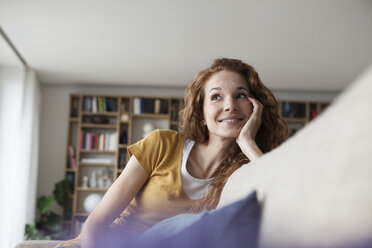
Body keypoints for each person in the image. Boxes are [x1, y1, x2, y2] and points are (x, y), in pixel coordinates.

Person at [56, 58, 288, 248]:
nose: (230, 105)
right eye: (216, 96)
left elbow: (282, 205)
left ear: (255, 107)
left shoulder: (243, 173)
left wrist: (247, 142)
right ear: (200, 113)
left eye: (240, 95)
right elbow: (96, 223)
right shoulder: (161, 144)